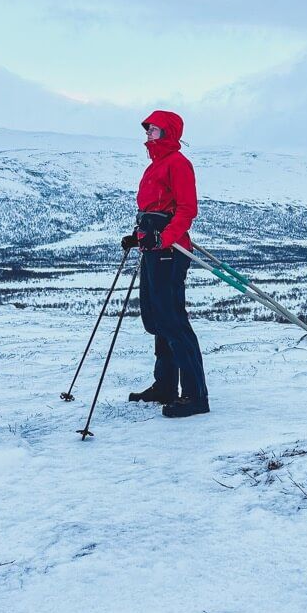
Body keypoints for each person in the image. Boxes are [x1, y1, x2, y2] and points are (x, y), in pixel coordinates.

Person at [121, 110, 209, 418]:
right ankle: (166, 385)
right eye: (148, 129)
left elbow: (186, 210)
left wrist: (163, 239)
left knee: (173, 320)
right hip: (155, 249)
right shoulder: (155, 166)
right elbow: (153, 210)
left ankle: (196, 395)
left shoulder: (178, 164)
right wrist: (139, 236)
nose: (148, 133)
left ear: (168, 133)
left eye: (154, 130)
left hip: (171, 252)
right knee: (157, 319)